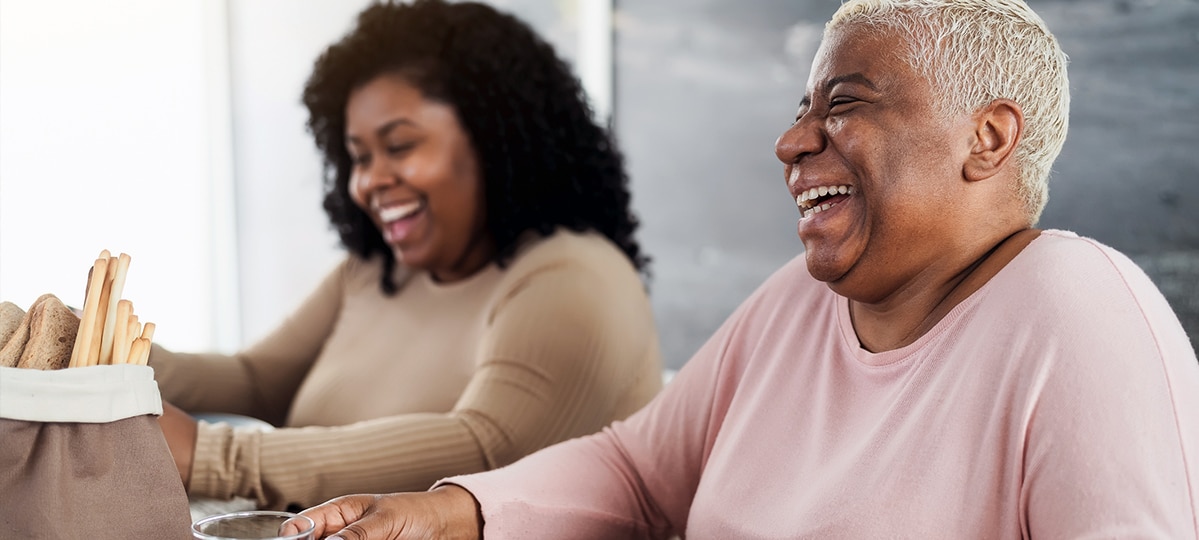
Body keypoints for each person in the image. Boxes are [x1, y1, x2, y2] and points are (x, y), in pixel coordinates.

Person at [286, 0, 1199, 538]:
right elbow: (638, 475)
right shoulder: (795, 305)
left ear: (987, 138)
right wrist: (451, 514)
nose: (791, 142)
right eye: (802, 110)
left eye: (843, 105)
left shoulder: (1079, 314)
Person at [151, 0, 664, 511]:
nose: (369, 181)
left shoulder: (575, 277)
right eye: (359, 157)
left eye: (399, 146)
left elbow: (486, 448)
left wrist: (214, 456)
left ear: (494, 139)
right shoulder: (374, 273)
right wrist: (114, 355)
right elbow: (255, 381)